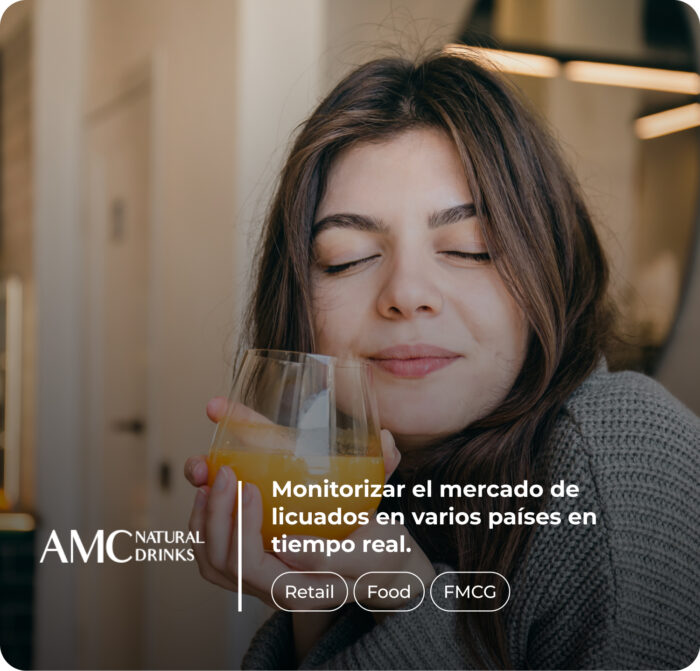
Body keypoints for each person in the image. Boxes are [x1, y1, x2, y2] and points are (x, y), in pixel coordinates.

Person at [184, 49, 700, 670]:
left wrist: (409, 598)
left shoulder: (624, 464)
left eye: (469, 248)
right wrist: (321, 604)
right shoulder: (368, 482)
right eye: (347, 257)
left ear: (549, 265)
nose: (406, 294)